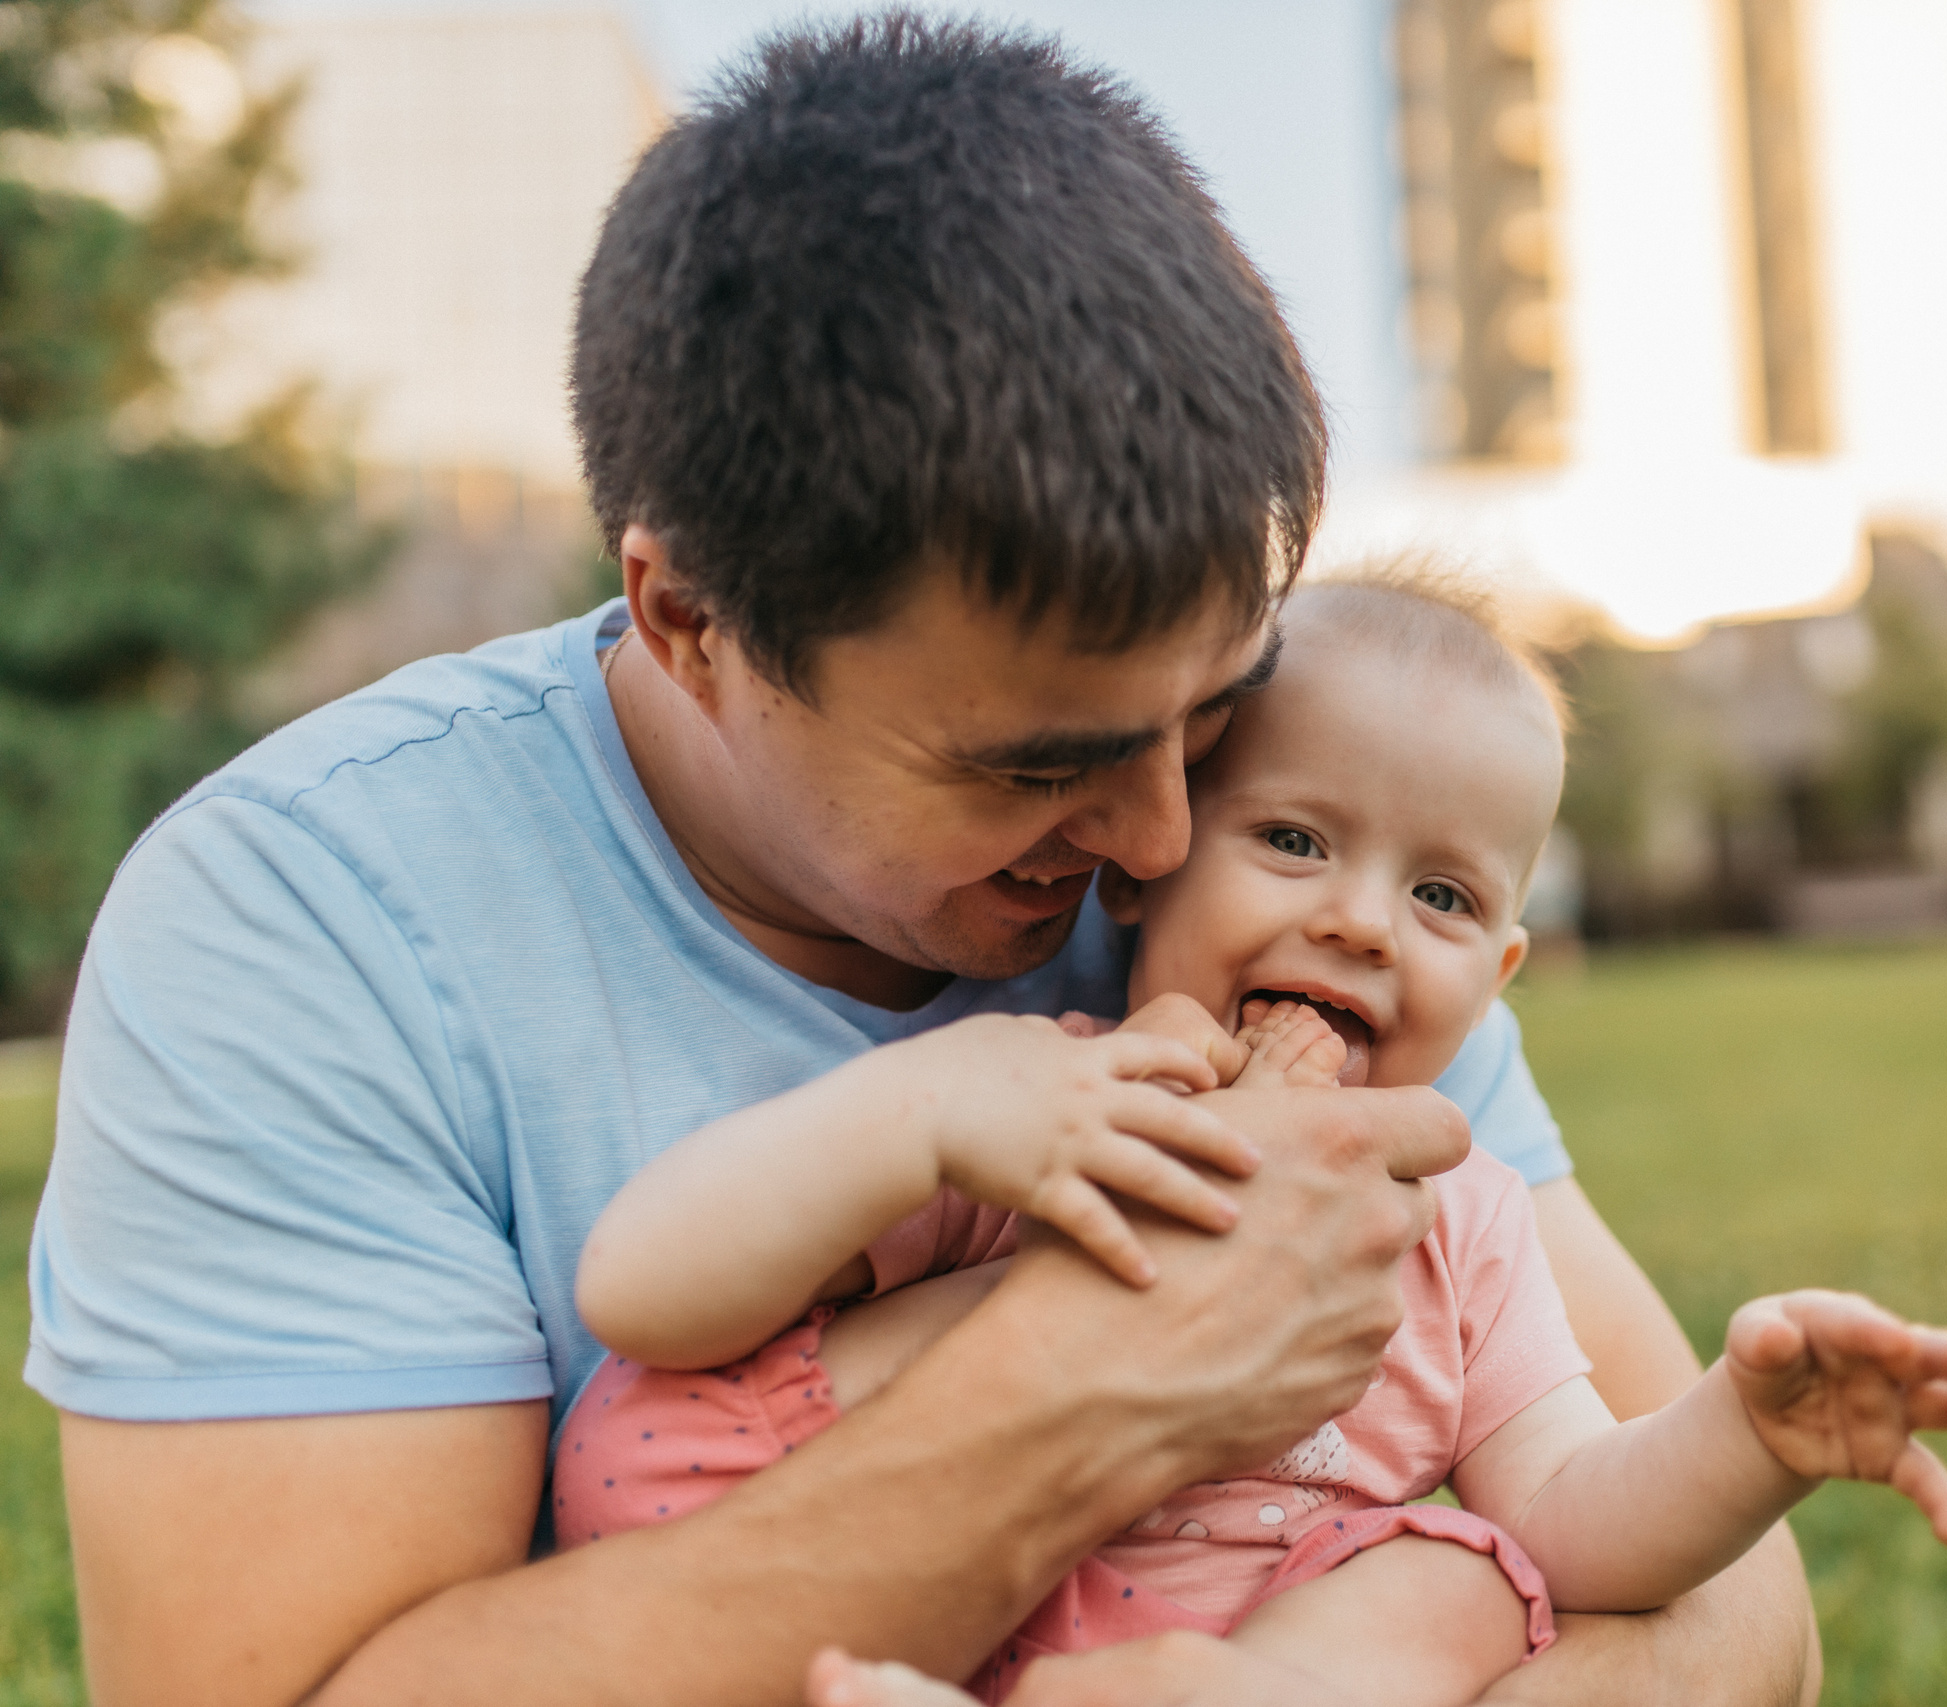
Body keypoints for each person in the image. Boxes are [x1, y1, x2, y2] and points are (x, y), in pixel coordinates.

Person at [25, 19, 1821, 1707]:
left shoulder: (1303, 891)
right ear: (691, 621)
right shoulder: (302, 929)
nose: (1159, 842)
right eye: (1038, 765)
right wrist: (1089, 1396)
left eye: (1202, 718)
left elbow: (1734, 1628)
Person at [560, 579, 1947, 1706]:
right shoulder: (1066, 1103)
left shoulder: (1461, 1217)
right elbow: (654, 1294)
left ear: (1501, 980)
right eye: (1294, 841)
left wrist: (1746, 1436)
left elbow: (1582, 1525)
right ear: (1140, 872)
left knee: (1461, 1581)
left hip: (1272, 1659)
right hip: (972, 1608)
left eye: (1444, 900)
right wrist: (920, 1117)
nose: (1359, 919)